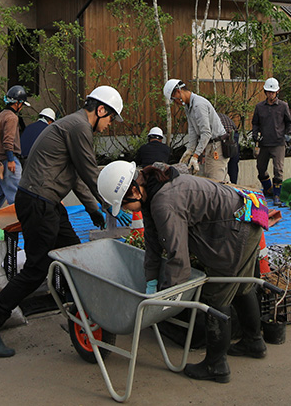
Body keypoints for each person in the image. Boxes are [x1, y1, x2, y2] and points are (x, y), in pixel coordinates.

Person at [0, 86, 125, 357]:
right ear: (101, 110)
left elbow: (77, 176)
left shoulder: (74, 125)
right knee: (37, 267)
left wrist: (93, 210)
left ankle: (79, 310)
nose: (109, 125)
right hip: (38, 202)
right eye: (111, 118)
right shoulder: (79, 127)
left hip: (49, 203)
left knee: (73, 253)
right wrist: (110, 204)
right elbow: (91, 172)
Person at [98, 160, 267, 383]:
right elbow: (153, 244)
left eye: (124, 204)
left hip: (236, 230)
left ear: (134, 191)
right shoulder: (152, 191)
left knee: (216, 296)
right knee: (242, 285)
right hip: (244, 219)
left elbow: (178, 258)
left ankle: (216, 365)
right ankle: (253, 342)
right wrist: (151, 280)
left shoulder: (163, 203)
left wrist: (165, 301)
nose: (126, 210)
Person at [163, 79, 228, 182]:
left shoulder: (198, 105)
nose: (176, 103)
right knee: (210, 179)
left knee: (215, 183)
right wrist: (190, 150)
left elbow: (206, 133)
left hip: (216, 146)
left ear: (179, 92)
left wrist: (195, 155)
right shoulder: (188, 107)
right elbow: (192, 130)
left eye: (174, 99)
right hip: (209, 145)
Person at [0, 85, 30, 220]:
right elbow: (8, 140)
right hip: (8, 160)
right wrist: (11, 160)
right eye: (22, 104)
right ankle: (15, 227)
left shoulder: (1, 115)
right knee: (17, 196)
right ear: (18, 103)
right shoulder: (12, 118)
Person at [251, 77, 291, 203]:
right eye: (268, 92)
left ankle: (277, 195)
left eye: (272, 92)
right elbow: (255, 123)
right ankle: (268, 188)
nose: (270, 95)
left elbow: (289, 122)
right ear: (265, 92)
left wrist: (288, 134)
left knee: (278, 169)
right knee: (260, 168)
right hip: (264, 142)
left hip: (278, 142)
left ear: (277, 92)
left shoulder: (283, 106)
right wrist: (255, 134)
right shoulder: (259, 107)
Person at [217, 111, 239, 185]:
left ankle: (230, 184)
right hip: (234, 134)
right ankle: (233, 184)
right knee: (233, 161)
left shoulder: (211, 118)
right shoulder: (222, 115)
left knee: (224, 160)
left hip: (225, 136)